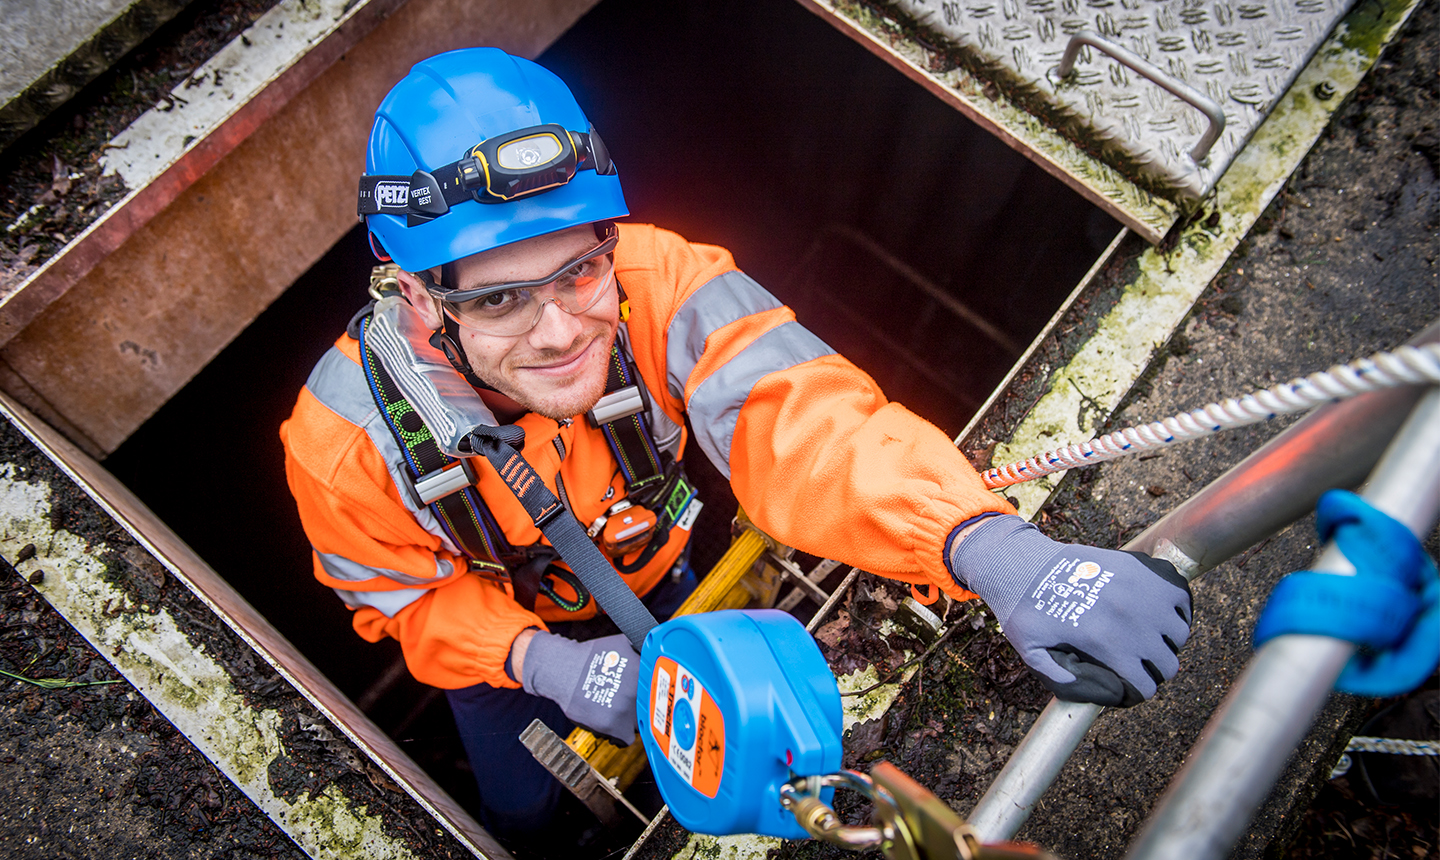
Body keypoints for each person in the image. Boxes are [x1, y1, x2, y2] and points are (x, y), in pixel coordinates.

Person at [280, 48, 1193, 844]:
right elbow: (402, 597)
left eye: (580, 269)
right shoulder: (343, 442)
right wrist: (540, 662)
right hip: (496, 655)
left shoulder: (660, 281)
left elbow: (805, 422)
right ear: (415, 296)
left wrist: (990, 548)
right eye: (498, 299)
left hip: (654, 570)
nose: (559, 332)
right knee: (526, 812)